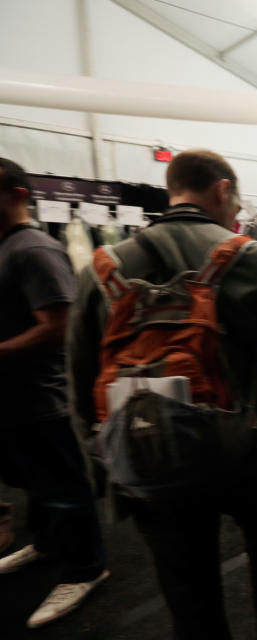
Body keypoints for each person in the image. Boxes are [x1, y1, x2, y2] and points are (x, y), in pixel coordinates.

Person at [68, 149, 257, 639]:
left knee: (186, 582)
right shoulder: (249, 257)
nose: (236, 216)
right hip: (243, 445)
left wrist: (100, 460)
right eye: (236, 205)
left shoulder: (101, 269)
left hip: (148, 445)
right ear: (222, 190)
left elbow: (79, 371)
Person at [0, 157, 109, 629]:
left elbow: (58, 327)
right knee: (39, 482)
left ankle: (87, 567)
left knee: (65, 486)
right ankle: (46, 542)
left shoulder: (34, 249)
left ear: (19, 194)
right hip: (14, 397)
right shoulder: (8, 248)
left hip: (41, 397)